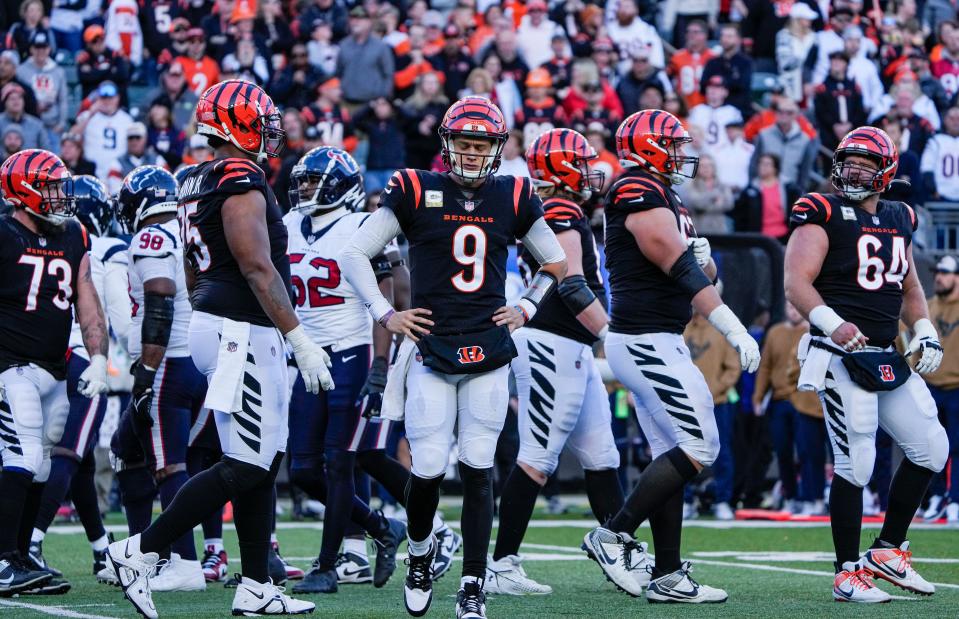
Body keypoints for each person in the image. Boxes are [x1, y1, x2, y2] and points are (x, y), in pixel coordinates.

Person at [106, 80, 332, 618]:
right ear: (237, 125)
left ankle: (255, 585)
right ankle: (139, 551)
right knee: (249, 462)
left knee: (255, 457)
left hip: (223, 324)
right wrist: (299, 336)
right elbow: (257, 265)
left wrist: (213, 312)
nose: (272, 132)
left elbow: (190, 266)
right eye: (263, 120)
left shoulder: (198, 178)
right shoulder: (239, 177)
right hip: (241, 330)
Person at [341, 95, 567, 619]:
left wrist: (528, 306)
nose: (470, 153)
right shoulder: (416, 187)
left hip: (488, 345)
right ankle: (419, 555)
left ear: (495, 148)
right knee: (427, 468)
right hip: (429, 345)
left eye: (480, 144)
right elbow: (354, 252)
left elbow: (556, 261)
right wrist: (385, 313)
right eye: (463, 143)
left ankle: (472, 585)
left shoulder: (513, 193)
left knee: (479, 467)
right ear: (447, 145)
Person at [582, 109, 758, 603]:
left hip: (658, 338)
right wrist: (733, 327)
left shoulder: (666, 193)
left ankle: (666, 574)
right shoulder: (636, 187)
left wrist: (704, 258)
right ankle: (613, 534)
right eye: (674, 145)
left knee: (673, 453)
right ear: (649, 148)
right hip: (645, 340)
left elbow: (705, 272)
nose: (684, 155)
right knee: (701, 446)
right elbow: (679, 268)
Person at [784, 126, 947, 602]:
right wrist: (832, 323)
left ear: (886, 172)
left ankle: (889, 549)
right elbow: (796, 282)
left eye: (865, 164)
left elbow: (910, 288)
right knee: (856, 462)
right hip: (837, 353)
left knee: (931, 447)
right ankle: (846, 572)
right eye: (848, 161)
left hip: (884, 352)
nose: (854, 170)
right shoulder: (821, 209)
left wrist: (926, 331)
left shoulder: (900, 215)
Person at [486, 128, 623, 596]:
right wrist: (608, 332)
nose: (589, 171)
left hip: (570, 345)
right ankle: (501, 564)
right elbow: (569, 283)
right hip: (550, 343)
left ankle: (619, 546)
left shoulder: (562, 207)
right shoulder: (560, 209)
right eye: (581, 162)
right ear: (560, 168)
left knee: (602, 455)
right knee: (537, 459)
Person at [280, 147, 409, 595]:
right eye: (303, 180)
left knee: (340, 462)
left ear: (339, 184)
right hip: (309, 356)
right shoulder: (290, 224)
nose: (304, 188)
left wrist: (380, 365)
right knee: (301, 470)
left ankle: (327, 565)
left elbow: (387, 299)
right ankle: (381, 526)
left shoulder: (362, 225)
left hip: (353, 352)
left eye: (313, 181)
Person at [0, 149, 109, 595]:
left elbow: (86, 296)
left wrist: (99, 355)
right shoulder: (4, 234)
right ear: (23, 190)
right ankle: (3, 561)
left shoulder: (73, 235)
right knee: (22, 457)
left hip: (54, 368)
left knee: (43, 466)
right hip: (10, 366)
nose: (61, 195)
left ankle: (22, 556)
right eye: (51, 186)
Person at [26, 176, 129, 594]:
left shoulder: (47, 242)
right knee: (68, 453)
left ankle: (102, 548)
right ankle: (29, 543)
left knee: (80, 461)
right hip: (86, 361)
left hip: (47, 360)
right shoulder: (104, 247)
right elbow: (118, 315)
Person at [110, 166, 210, 592]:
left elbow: (159, 302)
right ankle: (147, 553)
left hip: (169, 361)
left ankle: (185, 564)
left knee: (171, 465)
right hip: (203, 360)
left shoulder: (152, 236)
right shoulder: (191, 229)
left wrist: (146, 371)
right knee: (127, 448)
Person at [751, 302, 826, 515]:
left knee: (808, 451)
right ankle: (791, 497)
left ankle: (814, 498)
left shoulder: (815, 333)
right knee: (783, 451)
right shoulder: (775, 332)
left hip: (807, 401)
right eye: (790, 307)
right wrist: (758, 396)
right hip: (779, 401)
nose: (793, 310)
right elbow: (765, 366)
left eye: (796, 307)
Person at [683, 308, 741, 520]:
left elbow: (733, 368)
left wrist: (714, 389)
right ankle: (686, 500)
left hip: (717, 402)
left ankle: (722, 500)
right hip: (686, 402)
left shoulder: (722, 329)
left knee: (722, 452)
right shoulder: (681, 326)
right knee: (683, 452)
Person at [921, 255, 959, 524]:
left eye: (945, 272)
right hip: (930, 386)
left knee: (957, 449)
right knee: (931, 448)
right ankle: (935, 496)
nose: (938, 277)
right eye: (937, 272)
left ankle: (955, 499)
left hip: (957, 388)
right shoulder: (928, 307)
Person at [749, 99, 819, 191]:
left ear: (796, 115)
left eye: (789, 112)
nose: (784, 115)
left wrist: (800, 193)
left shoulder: (804, 140)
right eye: (780, 111)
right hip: (764, 191)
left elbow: (804, 171)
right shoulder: (764, 135)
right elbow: (754, 164)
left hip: (790, 192)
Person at [813, 52, 867, 152]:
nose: (836, 63)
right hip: (829, 137)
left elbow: (860, 110)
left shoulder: (854, 87)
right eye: (833, 60)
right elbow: (820, 111)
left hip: (852, 135)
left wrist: (850, 125)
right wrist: (834, 125)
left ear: (846, 64)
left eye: (840, 61)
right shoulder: (823, 88)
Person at [700, 24, 753, 119]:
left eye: (729, 36)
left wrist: (719, 84)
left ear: (738, 39)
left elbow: (743, 86)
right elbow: (703, 85)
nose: (725, 39)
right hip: (712, 111)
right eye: (723, 36)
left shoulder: (745, 62)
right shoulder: (712, 62)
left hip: (738, 111)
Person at [687, 76, 743, 155]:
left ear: (725, 92)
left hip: (725, 155)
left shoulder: (733, 112)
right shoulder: (696, 111)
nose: (713, 90)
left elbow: (738, 139)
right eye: (710, 87)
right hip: (700, 154)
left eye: (718, 87)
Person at [680, 153, 733, 234]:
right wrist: (714, 196)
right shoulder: (691, 186)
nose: (706, 168)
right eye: (703, 165)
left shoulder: (722, 185)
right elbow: (696, 204)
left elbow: (729, 204)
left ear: (714, 167)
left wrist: (704, 203)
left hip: (720, 231)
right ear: (697, 168)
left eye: (709, 165)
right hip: (699, 231)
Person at [667, 20, 714, 110]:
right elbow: (667, 79)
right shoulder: (677, 57)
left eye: (696, 32)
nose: (691, 35)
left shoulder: (713, 57)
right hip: (683, 107)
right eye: (688, 32)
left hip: (706, 107)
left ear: (705, 35)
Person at [921, 106, 959, 202]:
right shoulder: (936, 141)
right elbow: (927, 168)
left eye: (958, 118)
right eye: (951, 118)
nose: (955, 122)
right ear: (945, 120)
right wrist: (933, 190)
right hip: (942, 196)